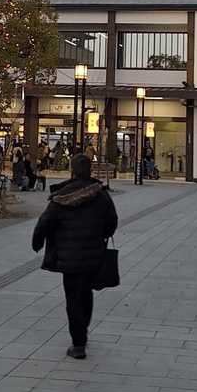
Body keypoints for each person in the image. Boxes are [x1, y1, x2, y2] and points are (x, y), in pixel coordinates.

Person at [31, 153, 117, 359]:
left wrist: (37, 242)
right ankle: (82, 331)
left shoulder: (62, 196)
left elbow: (45, 222)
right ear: (90, 170)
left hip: (68, 256)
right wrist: (101, 235)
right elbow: (112, 222)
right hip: (93, 255)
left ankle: (78, 343)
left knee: (73, 298)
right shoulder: (101, 195)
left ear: (72, 171)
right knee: (86, 293)